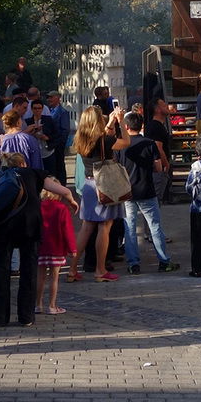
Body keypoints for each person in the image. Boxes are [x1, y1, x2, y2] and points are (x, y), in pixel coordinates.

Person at [0, 153, 77, 327]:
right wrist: (72, 201)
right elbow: (63, 190)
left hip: (1, 228)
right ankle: (26, 316)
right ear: (23, 163)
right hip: (29, 227)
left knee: (0, 271)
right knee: (28, 271)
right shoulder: (33, 174)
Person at [69, 103, 130, 283]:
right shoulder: (105, 140)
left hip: (88, 184)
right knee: (104, 227)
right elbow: (125, 142)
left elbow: (105, 135)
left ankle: (72, 269)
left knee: (86, 227)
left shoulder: (80, 139)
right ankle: (100, 270)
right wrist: (120, 122)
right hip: (104, 185)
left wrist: (111, 122)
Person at [122, 113, 179, 274]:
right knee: (155, 226)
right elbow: (158, 167)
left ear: (126, 126)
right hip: (147, 189)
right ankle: (163, 260)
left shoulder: (121, 145)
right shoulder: (149, 143)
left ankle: (133, 264)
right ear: (141, 126)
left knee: (130, 228)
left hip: (127, 192)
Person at [36, 190, 78, 315]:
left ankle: (38, 305)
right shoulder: (61, 208)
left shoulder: (38, 207)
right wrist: (72, 249)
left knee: (40, 277)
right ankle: (52, 306)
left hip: (41, 247)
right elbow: (67, 230)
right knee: (54, 278)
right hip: (57, 248)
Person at [0, 109, 44, 175]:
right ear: (18, 122)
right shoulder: (30, 139)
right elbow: (37, 164)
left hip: (5, 180)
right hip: (27, 179)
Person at [44, 90, 72, 185]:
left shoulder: (62, 112)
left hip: (58, 144)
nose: (49, 99)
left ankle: (62, 185)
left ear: (58, 98)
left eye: (51, 97)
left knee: (59, 165)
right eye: (48, 97)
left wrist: (59, 143)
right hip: (50, 143)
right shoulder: (48, 111)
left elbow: (65, 130)